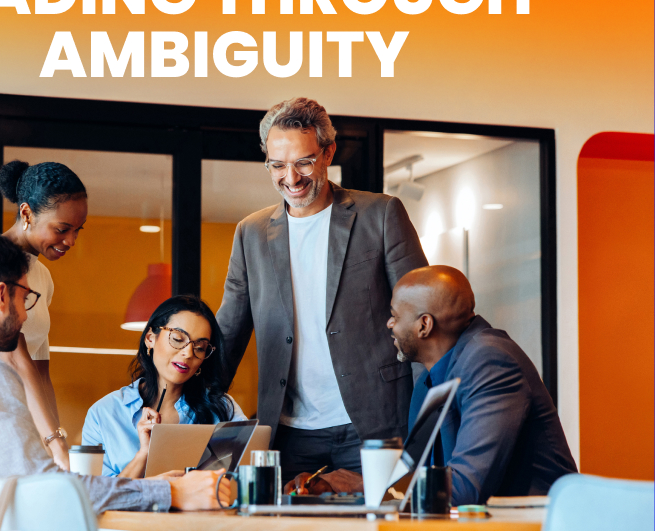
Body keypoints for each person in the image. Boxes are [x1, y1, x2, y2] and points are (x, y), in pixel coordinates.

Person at [0, 231, 229, 531]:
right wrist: (171, 493)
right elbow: (47, 490)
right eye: (25, 296)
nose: (27, 312)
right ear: (2, 296)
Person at [216, 97, 428, 480]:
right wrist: (189, 401)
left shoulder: (380, 215)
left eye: (303, 162)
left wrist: (425, 421)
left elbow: (420, 319)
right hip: (288, 430)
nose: (291, 178)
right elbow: (228, 331)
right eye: (277, 165)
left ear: (328, 152)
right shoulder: (251, 233)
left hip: (374, 423)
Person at [388, 265, 578, 504]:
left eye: (394, 316)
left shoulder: (489, 360)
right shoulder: (428, 382)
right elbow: (415, 480)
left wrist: (380, 488)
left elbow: (466, 488)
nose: (389, 324)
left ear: (424, 325)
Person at [83, 295, 247, 478]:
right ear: (150, 339)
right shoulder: (104, 414)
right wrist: (143, 454)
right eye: (177, 339)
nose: (188, 353)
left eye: (200, 347)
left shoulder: (222, 408)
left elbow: (244, 480)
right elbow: (98, 498)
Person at [0, 159, 88, 470]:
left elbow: (40, 370)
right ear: (26, 213)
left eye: (78, 230)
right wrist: (54, 441)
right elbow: (13, 354)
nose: (71, 241)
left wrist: (56, 436)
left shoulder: (42, 277)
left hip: (28, 425)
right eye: (62, 229)